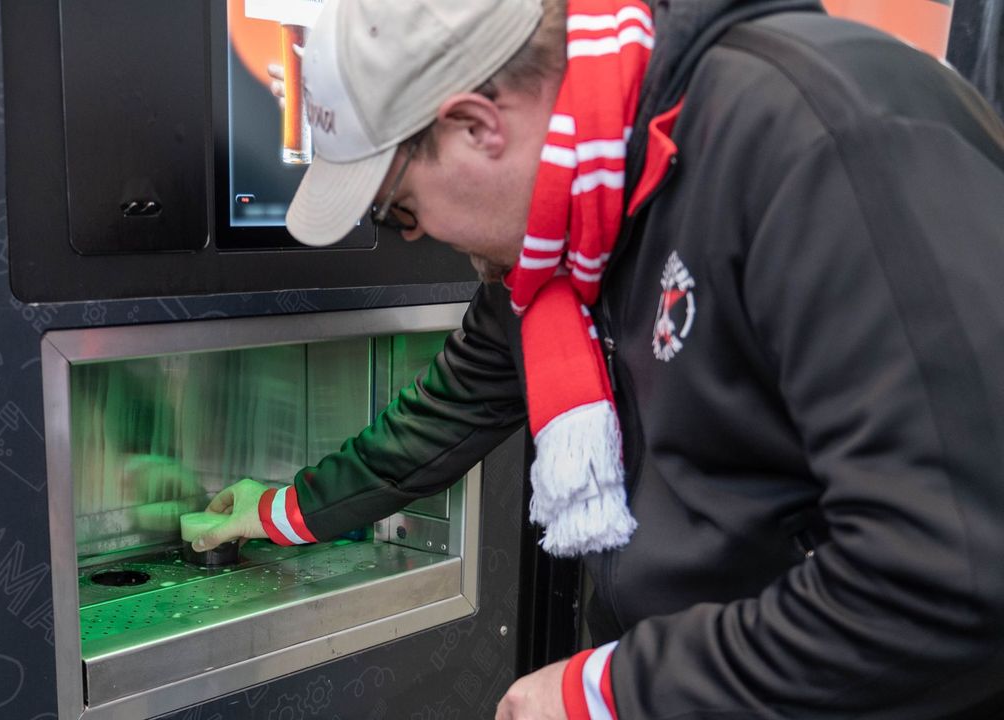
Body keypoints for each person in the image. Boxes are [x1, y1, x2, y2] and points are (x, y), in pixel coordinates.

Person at [194, 0, 1004, 716]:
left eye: (400, 207)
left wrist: (615, 692)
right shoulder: (562, 240)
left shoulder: (822, 141)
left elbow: (947, 569)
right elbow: (446, 411)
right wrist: (280, 512)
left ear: (478, 124)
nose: (418, 235)